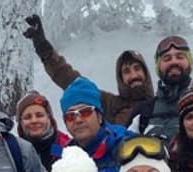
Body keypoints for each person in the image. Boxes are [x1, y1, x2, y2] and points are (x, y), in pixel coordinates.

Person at [22, 14, 153, 127]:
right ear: (121, 78)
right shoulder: (110, 104)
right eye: (126, 71)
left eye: (137, 68)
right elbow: (70, 80)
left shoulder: (161, 103)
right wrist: (44, 49)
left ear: (146, 73)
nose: (134, 75)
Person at [57, 77, 133, 172]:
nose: (78, 119)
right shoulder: (65, 159)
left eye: (85, 112)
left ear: (100, 117)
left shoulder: (127, 146)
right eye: (71, 116)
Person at [130, 35, 193, 139]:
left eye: (180, 57)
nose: (174, 62)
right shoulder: (143, 112)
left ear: (189, 62)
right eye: (167, 58)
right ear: (158, 66)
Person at [15, 90, 71, 172]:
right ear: (20, 123)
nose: (34, 121)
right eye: (27, 117)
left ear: (49, 118)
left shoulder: (65, 147)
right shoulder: (15, 152)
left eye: (39, 115)